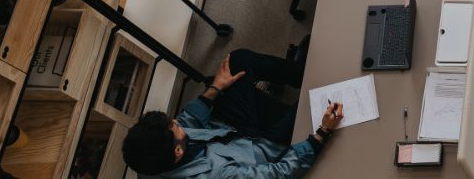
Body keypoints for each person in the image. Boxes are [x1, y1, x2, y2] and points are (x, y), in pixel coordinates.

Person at [120, 50, 342, 178]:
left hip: (231, 134)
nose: (178, 122)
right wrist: (321, 135)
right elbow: (278, 174)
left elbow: (190, 120)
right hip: (266, 152)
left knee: (237, 61)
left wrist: (215, 87)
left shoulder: (153, 155)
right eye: (175, 127)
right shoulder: (218, 176)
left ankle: (300, 72)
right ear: (177, 151)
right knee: (317, 99)